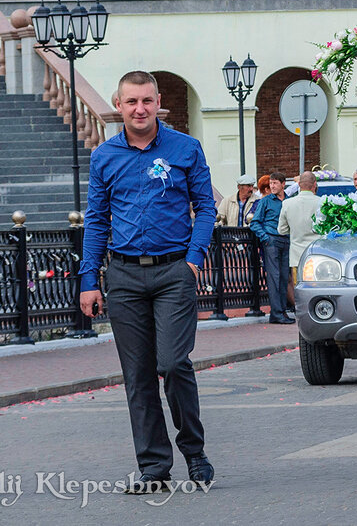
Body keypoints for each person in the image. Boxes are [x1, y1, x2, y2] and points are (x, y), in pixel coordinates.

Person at [79, 71, 217, 493]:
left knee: (173, 364)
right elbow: (97, 220)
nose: (140, 109)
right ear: (118, 106)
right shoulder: (104, 156)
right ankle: (154, 466)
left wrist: (194, 259)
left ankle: (194, 450)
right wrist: (90, 278)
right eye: (131, 102)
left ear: (159, 103)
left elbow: (206, 207)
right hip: (123, 275)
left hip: (174, 272)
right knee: (137, 374)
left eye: (147, 101)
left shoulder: (186, 148)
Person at [251, 172, 293, 323]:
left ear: (283, 184)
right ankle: (276, 313)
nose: (272, 186)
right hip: (272, 240)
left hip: (286, 241)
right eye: (271, 183)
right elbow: (254, 222)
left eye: (275, 183)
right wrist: (266, 238)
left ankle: (282, 311)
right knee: (274, 278)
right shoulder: (266, 201)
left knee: (283, 278)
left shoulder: (289, 201)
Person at [278, 171, 324, 281]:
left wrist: (294, 229)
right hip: (319, 255)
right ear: (314, 185)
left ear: (299, 184)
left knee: (299, 288)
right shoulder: (322, 202)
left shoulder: (287, 204)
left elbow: (281, 230)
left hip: (297, 256)